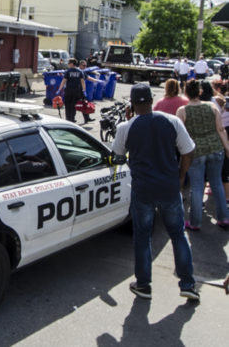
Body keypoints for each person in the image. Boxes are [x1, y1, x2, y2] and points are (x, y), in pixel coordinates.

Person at [111, 84, 199, 301]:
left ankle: (143, 285)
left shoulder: (125, 127)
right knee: (178, 234)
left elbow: (117, 156)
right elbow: (188, 151)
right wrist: (181, 176)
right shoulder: (172, 121)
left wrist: (128, 121)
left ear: (132, 105)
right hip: (169, 187)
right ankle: (187, 284)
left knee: (142, 237)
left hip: (143, 190)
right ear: (152, 101)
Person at [175, 79, 229, 230]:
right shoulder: (212, 106)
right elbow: (220, 129)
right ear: (200, 92)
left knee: (197, 187)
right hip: (215, 148)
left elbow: (179, 134)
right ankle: (224, 218)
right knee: (217, 183)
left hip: (196, 152)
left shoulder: (182, 111)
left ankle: (195, 222)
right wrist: (227, 148)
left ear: (185, 93)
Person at [57, 58, 92, 124]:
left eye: (69, 63)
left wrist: (59, 89)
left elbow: (63, 81)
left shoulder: (68, 72)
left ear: (72, 64)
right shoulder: (80, 71)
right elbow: (83, 82)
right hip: (77, 92)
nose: (68, 64)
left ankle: (68, 119)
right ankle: (72, 119)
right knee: (74, 106)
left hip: (68, 91)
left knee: (68, 106)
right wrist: (84, 90)